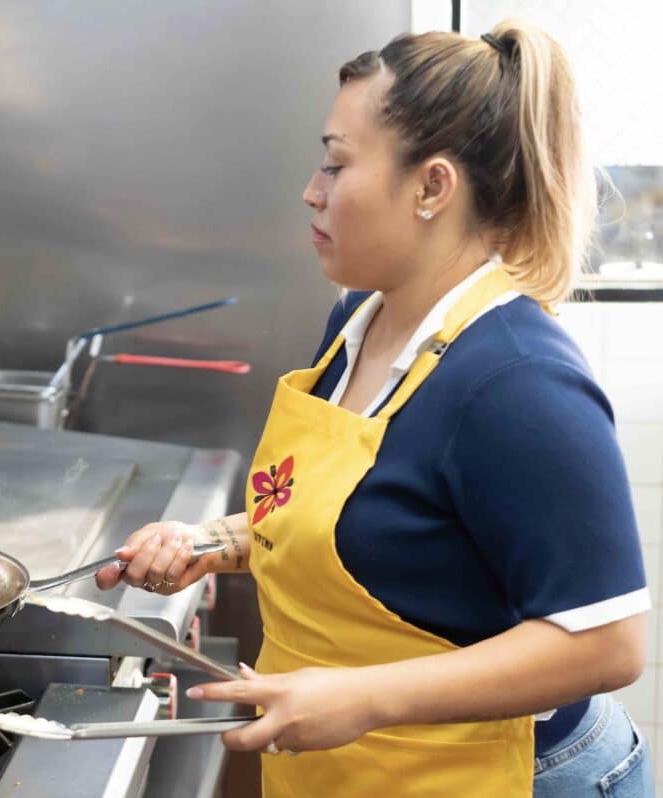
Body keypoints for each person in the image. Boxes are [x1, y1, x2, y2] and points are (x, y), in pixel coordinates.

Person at [95, 18, 655, 798]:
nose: (311, 190)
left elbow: (608, 643)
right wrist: (210, 542)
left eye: (336, 164)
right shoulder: (358, 322)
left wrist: (363, 696)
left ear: (431, 186)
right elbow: (367, 523)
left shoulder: (518, 382)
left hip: (520, 775)